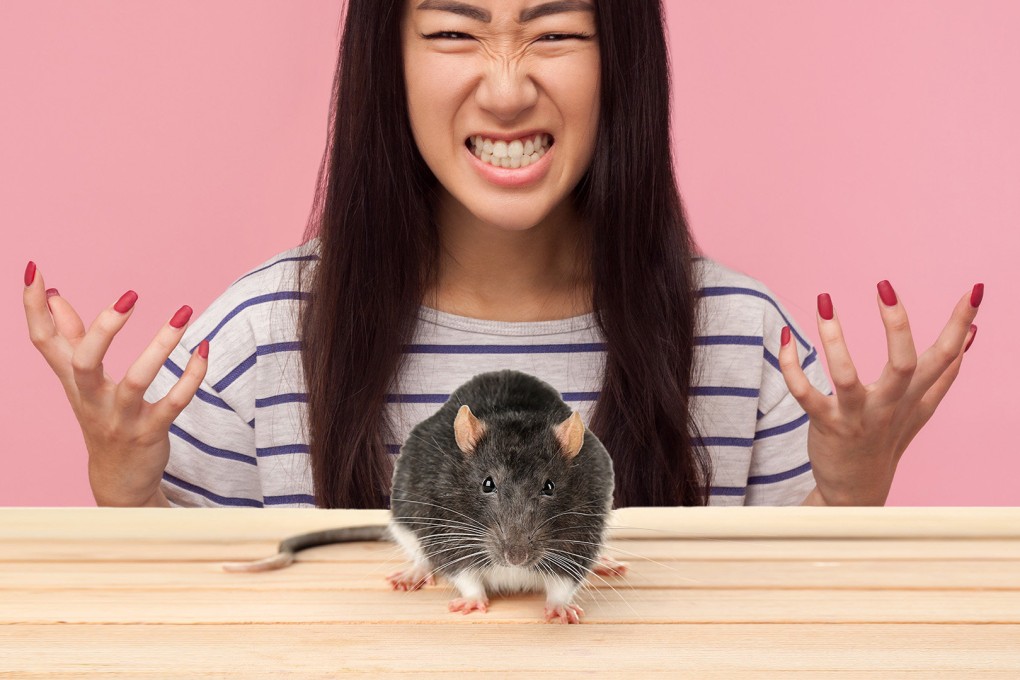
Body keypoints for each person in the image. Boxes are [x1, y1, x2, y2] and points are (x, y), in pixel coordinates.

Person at [22, 0, 981, 510]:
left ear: (625, 59)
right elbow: (189, 642)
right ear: (385, 58)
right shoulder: (260, 343)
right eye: (453, 32)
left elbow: (794, 644)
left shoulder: (741, 348)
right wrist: (125, 488)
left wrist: (853, 489)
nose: (509, 86)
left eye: (556, 31)